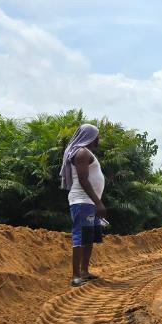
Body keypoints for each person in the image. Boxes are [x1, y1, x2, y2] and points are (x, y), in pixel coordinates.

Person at [59, 123, 106, 287]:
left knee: (88, 237)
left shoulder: (86, 152)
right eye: (96, 136)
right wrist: (98, 202)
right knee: (80, 236)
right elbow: (83, 180)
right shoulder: (81, 153)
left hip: (88, 202)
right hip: (82, 201)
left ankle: (84, 272)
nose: (98, 139)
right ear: (90, 137)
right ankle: (76, 276)